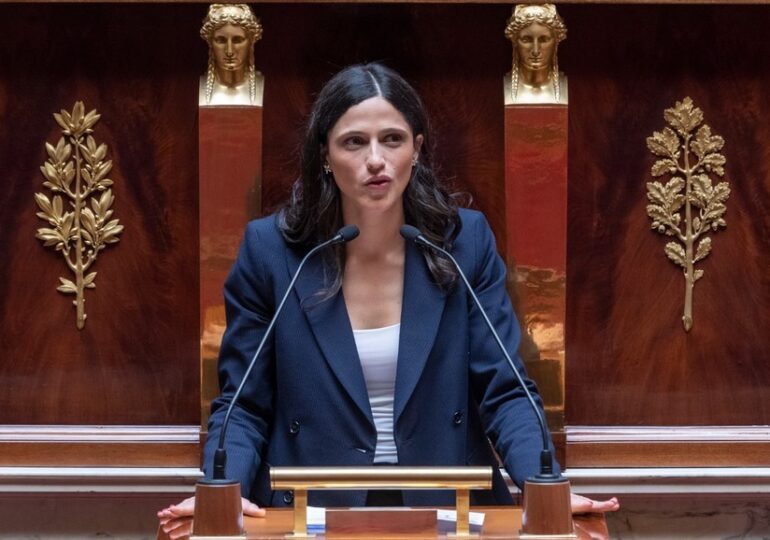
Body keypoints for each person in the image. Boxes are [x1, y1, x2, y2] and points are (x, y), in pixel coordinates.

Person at [159, 63, 617, 535]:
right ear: (324, 155)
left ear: (417, 150)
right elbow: (244, 404)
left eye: (392, 140)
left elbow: (505, 391)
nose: (375, 159)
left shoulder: (464, 244)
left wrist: (546, 487)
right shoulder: (272, 253)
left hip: (449, 508)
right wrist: (219, 492)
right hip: (307, 512)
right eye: (354, 141)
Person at [199, 3, 264, 106]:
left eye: (238, 40)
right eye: (221, 40)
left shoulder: (262, 85)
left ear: (251, 41)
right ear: (210, 42)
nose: (229, 51)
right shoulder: (199, 86)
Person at [504, 3, 568, 104]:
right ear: (515, 42)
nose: (535, 51)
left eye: (544, 40)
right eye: (526, 40)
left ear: (556, 41)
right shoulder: (507, 87)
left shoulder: (563, 87)